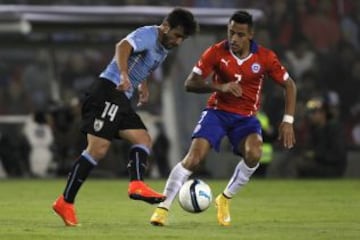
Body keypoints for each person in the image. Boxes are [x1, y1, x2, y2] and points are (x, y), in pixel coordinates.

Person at [52, 8, 198, 227]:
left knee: (143, 139)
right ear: (166, 27)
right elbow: (123, 47)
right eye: (177, 35)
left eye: (183, 39)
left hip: (122, 96)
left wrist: (143, 86)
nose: (178, 42)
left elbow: (144, 66)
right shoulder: (148, 34)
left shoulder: (163, 48)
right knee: (97, 149)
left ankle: (137, 183)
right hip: (109, 90)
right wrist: (122, 74)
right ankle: (65, 202)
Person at [150, 10, 296, 227]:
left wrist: (288, 120)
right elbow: (190, 83)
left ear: (251, 35)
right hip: (217, 113)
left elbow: (289, 85)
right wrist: (220, 87)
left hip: (246, 118)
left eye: (239, 34)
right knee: (194, 158)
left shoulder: (265, 57)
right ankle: (162, 208)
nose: (234, 39)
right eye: (231, 33)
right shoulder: (216, 52)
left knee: (255, 153)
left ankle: (224, 199)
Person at [294, 97, 347, 178]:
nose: (310, 116)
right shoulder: (315, 129)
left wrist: (315, 155)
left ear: (323, 113)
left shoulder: (333, 128)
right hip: (320, 164)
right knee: (299, 162)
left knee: (303, 165)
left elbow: (337, 154)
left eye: (313, 113)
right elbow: (309, 148)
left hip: (332, 168)